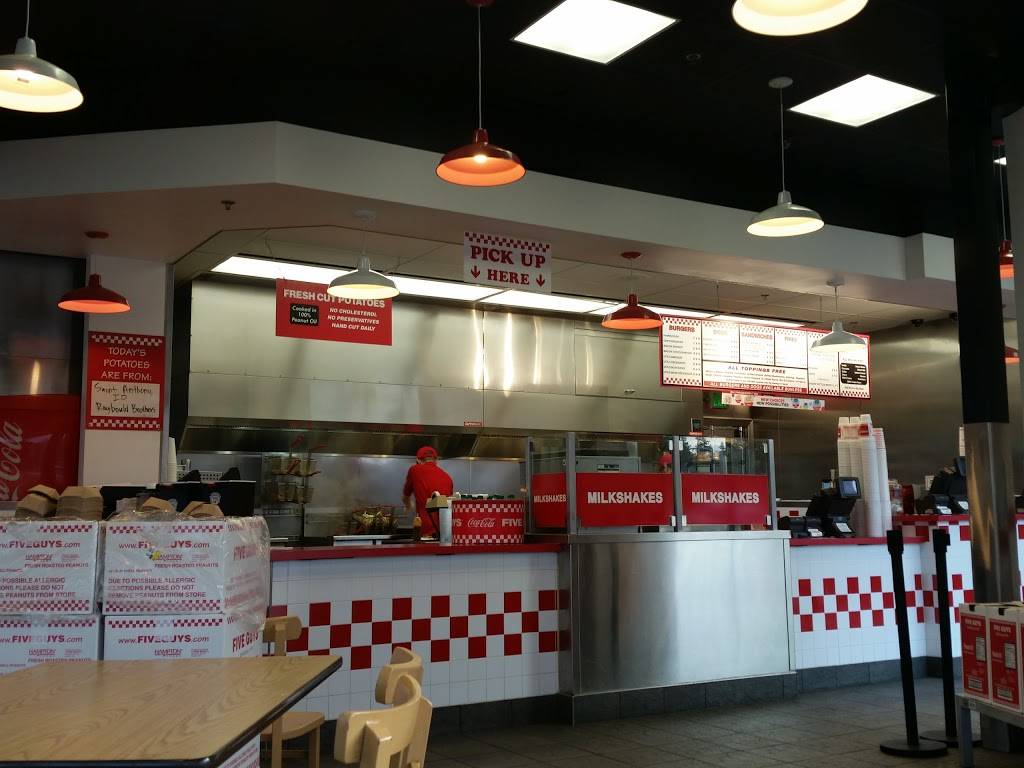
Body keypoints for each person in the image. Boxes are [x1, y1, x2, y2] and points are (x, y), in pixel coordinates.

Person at [402, 446, 454, 538]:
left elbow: (406, 495)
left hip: (426, 530)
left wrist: (408, 505)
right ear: (436, 460)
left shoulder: (415, 470)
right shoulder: (447, 477)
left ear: (418, 460)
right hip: (446, 531)